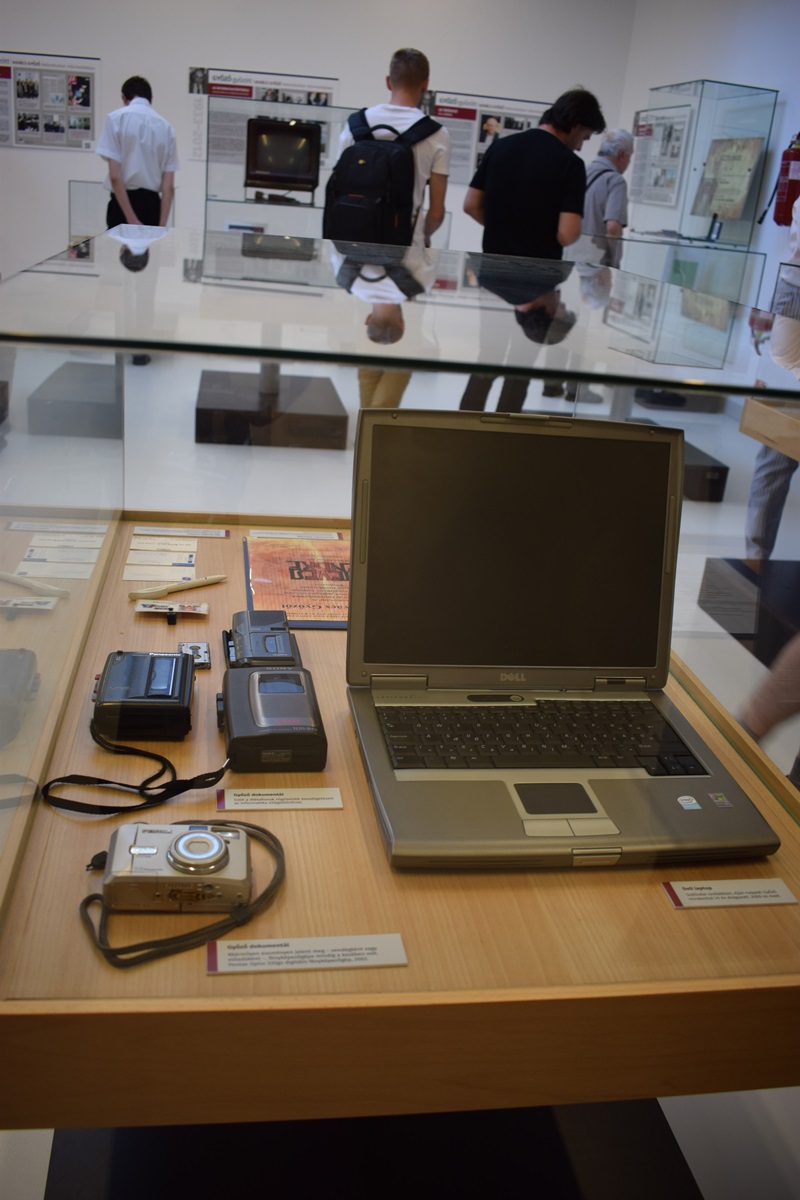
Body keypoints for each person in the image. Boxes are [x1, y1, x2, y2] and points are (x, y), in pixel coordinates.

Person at [464, 87, 605, 260]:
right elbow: (567, 234)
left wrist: (501, 230)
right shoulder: (571, 164)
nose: (580, 147)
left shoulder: (499, 147)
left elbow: (471, 205)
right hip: (539, 269)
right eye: (584, 137)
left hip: (492, 264)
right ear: (577, 126)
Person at [333, 48, 451, 247]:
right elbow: (437, 213)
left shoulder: (354, 125)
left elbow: (337, 187)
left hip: (350, 246)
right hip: (405, 249)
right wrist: (424, 235)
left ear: (389, 82)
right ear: (425, 85)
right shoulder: (437, 134)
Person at [96, 76, 179, 228]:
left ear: (124, 97)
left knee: (118, 244)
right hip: (152, 206)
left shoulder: (115, 119)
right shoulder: (167, 128)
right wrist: (161, 226)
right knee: (150, 244)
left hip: (122, 204)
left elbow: (115, 176)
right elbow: (168, 186)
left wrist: (131, 219)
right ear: (151, 99)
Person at [581, 128, 633, 267]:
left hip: (571, 257)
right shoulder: (615, 181)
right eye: (630, 156)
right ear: (622, 155)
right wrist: (614, 264)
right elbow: (613, 228)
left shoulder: (583, 171)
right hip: (596, 262)